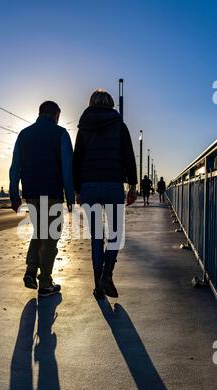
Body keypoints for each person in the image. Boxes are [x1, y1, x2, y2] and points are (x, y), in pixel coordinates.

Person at [73, 89, 138, 299]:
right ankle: (106, 276)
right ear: (111, 104)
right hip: (112, 184)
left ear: (91, 103)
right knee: (115, 235)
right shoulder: (119, 125)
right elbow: (128, 155)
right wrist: (133, 185)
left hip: (89, 185)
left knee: (96, 237)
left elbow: (77, 160)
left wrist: (77, 189)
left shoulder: (83, 127)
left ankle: (98, 286)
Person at [9, 101, 75, 297]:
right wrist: (70, 195)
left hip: (31, 194)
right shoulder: (61, 133)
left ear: (40, 113)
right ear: (55, 114)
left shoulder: (24, 134)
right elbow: (67, 169)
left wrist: (14, 195)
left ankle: (30, 270)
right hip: (52, 194)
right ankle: (45, 284)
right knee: (50, 239)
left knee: (40, 232)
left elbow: (15, 168)